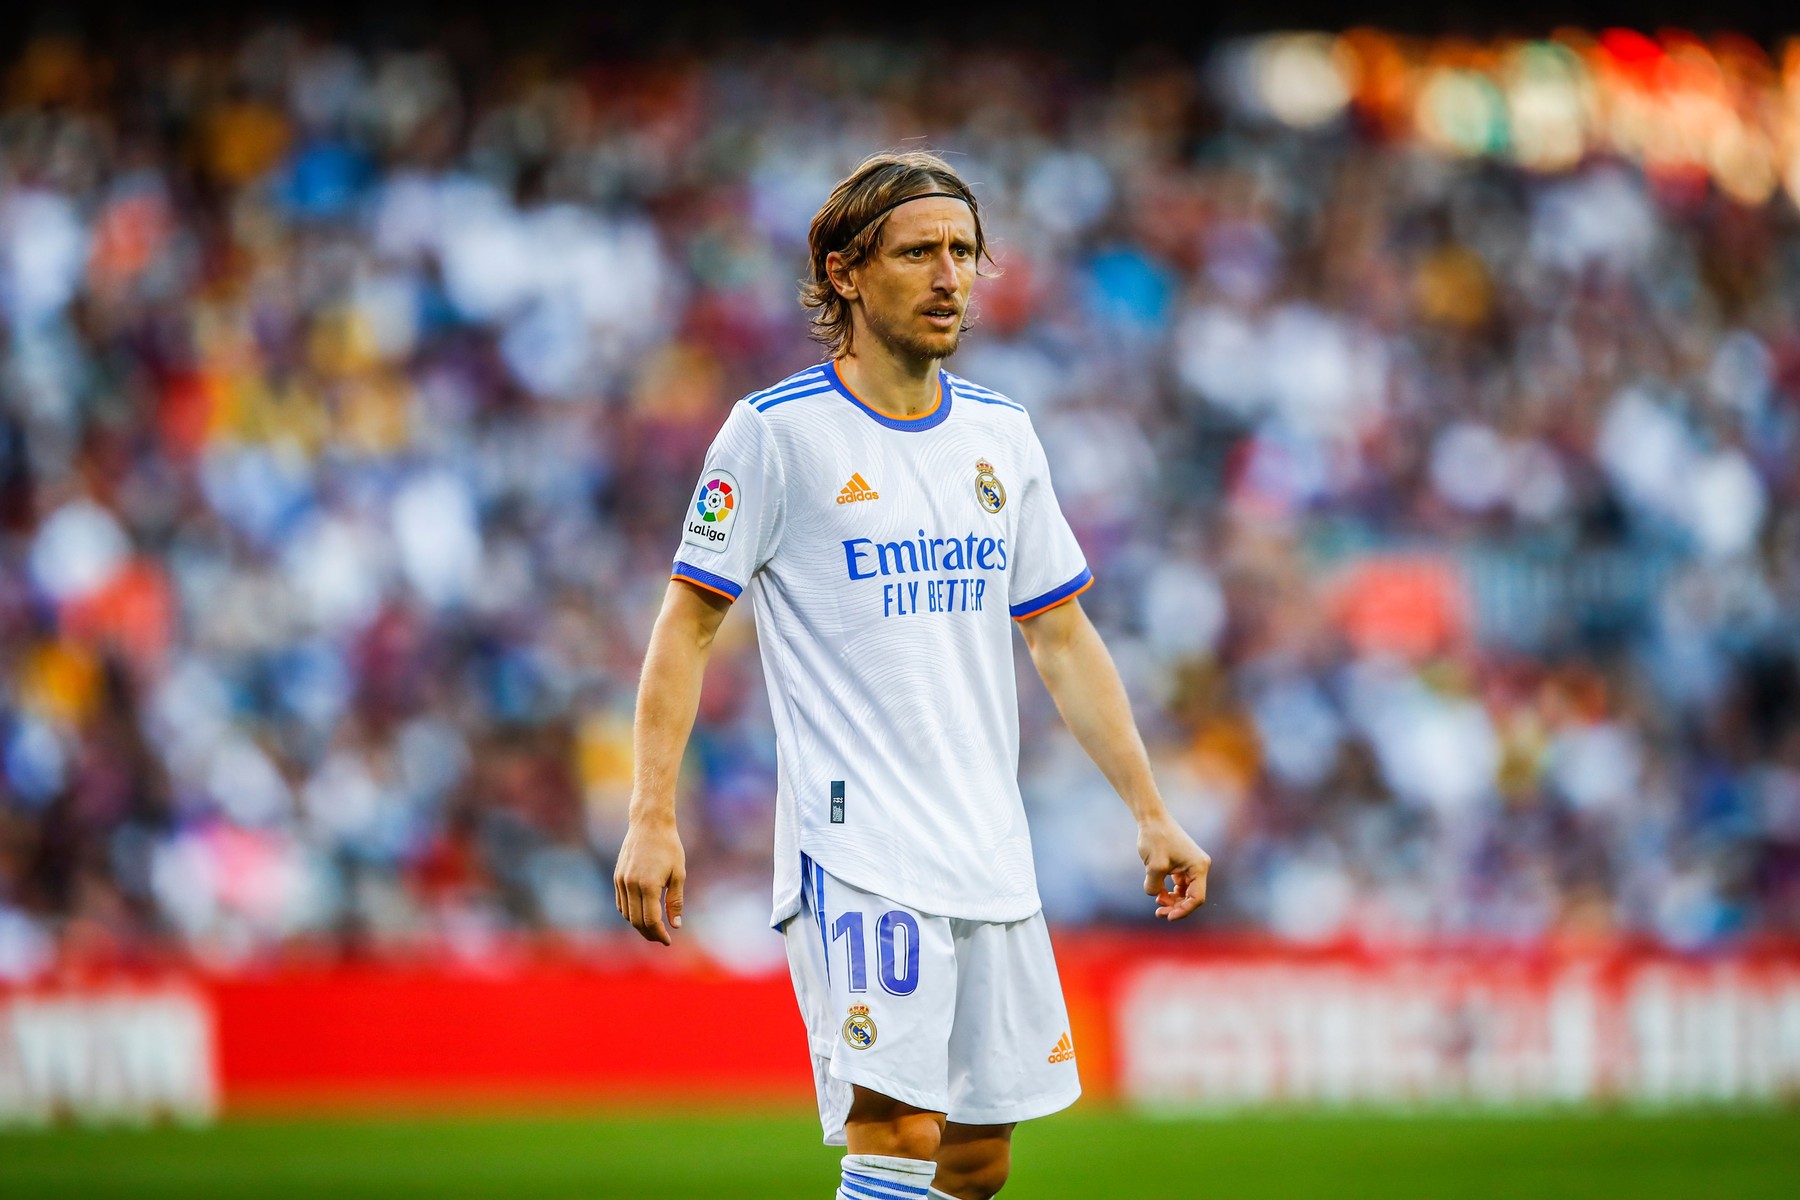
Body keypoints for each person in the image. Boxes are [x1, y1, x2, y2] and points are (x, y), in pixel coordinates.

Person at [614, 150, 1212, 1200]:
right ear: (844, 271)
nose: (950, 277)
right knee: (895, 1129)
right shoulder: (774, 433)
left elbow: (1062, 635)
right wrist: (652, 815)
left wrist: (1151, 810)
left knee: (977, 1158)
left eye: (964, 252)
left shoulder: (1000, 433)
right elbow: (687, 625)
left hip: (988, 840)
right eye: (918, 252)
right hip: (859, 843)